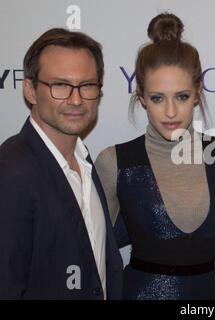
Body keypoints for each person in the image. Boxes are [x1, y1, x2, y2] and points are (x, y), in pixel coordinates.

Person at [95, 13, 215, 300]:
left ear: (197, 93)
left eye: (181, 96)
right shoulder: (115, 161)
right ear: (142, 97)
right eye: (158, 98)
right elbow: (91, 249)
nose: (171, 112)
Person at [0, 28, 123, 299]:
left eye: (87, 85)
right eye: (60, 86)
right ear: (30, 90)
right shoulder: (11, 173)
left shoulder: (85, 159)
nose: (76, 99)